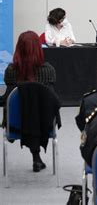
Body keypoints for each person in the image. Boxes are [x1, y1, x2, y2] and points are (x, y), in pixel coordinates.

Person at [1, 31, 57, 172]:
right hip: (45, 124)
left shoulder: (11, 71)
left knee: (25, 108)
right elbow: (53, 99)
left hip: (16, 125)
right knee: (37, 110)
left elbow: (8, 99)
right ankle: (36, 157)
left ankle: (35, 156)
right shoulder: (48, 70)